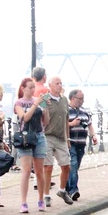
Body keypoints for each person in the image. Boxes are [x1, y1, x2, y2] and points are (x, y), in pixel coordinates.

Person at [14, 78, 49, 212]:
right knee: (27, 170)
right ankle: (23, 202)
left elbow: (45, 121)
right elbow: (25, 117)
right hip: (25, 137)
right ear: (23, 88)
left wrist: (46, 108)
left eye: (33, 87)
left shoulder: (38, 101)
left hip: (39, 135)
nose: (32, 90)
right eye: (29, 87)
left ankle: (41, 199)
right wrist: (36, 104)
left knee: (40, 171)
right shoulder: (19, 103)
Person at [41, 76, 73, 206]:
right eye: (57, 83)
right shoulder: (45, 99)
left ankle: (62, 190)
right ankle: (46, 195)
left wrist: (67, 138)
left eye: (61, 83)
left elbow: (66, 119)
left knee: (66, 165)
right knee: (48, 167)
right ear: (50, 85)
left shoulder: (64, 100)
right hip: (47, 136)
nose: (59, 86)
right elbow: (41, 116)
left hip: (61, 137)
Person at [66, 89, 96, 201]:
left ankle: (66, 186)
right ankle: (73, 190)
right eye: (80, 99)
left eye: (83, 98)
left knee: (75, 166)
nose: (82, 101)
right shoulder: (66, 111)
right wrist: (72, 124)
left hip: (81, 143)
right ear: (73, 98)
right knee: (73, 164)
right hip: (70, 142)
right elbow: (62, 125)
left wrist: (93, 136)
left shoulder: (84, 111)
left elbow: (90, 125)